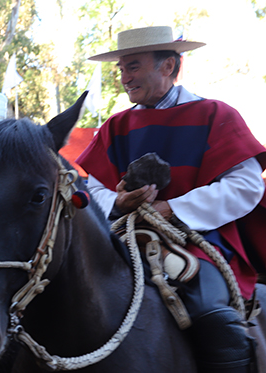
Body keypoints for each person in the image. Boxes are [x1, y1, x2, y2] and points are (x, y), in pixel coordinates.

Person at [77, 26, 266, 372]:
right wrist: (119, 203)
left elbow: (246, 186)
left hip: (196, 242)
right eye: (121, 69)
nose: (124, 78)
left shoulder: (216, 115)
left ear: (168, 66)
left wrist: (172, 209)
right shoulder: (114, 126)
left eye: (132, 66)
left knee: (213, 316)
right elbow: (93, 190)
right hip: (120, 236)